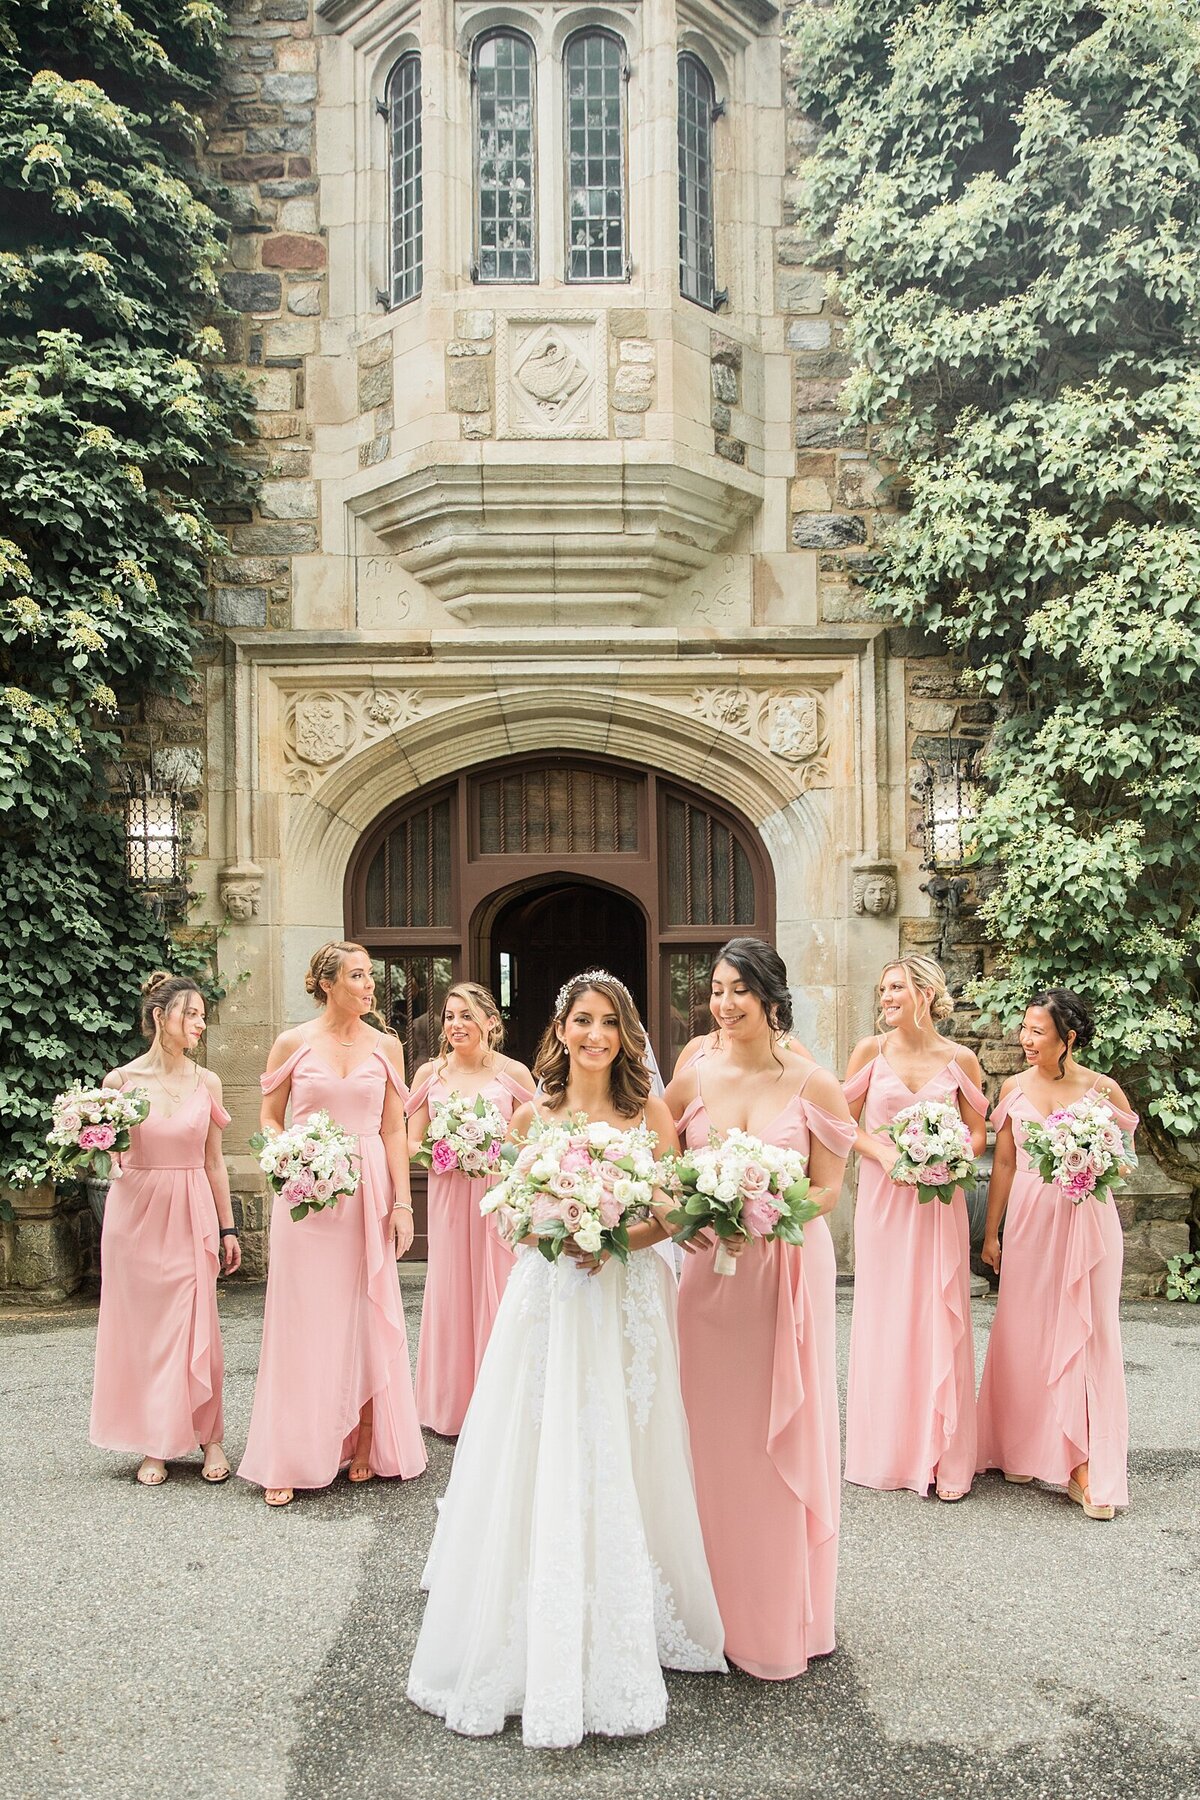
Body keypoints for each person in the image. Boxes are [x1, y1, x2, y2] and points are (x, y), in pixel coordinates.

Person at [408, 969, 725, 1748]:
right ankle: (530, 1621)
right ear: (560, 1028)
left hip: (622, 1295)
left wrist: (611, 1234)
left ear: (625, 1034)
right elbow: (512, 1217)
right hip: (549, 1298)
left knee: (621, 1438)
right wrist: (554, 1225)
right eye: (582, 1020)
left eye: (609, 1023)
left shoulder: (646, 1110)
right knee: (540, 1436)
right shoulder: (529, 1114)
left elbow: (671, 1209)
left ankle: (621, 1614)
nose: (595, 1035)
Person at [664, 938, 855, 1679]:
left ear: (771, 996)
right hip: (708, 1279)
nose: (725, 1002)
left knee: (775, 1438)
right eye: (716, 989)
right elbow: (663, 1169)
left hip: (783, 1274)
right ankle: (701, 1609)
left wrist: (767, 1205)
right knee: (706, 1435)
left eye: (739, 989)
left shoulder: (815, 1084)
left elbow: (830, 1191)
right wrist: (696, 1207)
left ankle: (774, 1615)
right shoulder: (692, 1079)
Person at [238, 942, 426, 1506]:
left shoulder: (387, 1045)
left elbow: (394, 1129)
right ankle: (289, 1452)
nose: (370, 985)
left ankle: (364, 1441)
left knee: (365, 1311)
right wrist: (292, 1154)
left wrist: (401, 1204)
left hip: (368, 1188)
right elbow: (269, 1118)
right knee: (302, 1320)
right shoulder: (292, 1043)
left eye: (370, 976)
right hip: (306, 1195)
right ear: (326, 983)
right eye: (358, 976)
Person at [976, 990, 1137, 1519]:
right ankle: (1019, 1444)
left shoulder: (1102, 1089)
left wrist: (1093, 1157)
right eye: (1023, 1029)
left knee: (1089, 1335)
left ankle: (1085, 1463)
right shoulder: (1013, 1088)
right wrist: (991, 1232)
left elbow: (1126, 1160)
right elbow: (1002, 1164)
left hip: (1087, 1221)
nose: (1025, 1039)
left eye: (1037, 1031)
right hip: (1029, 1219)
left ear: (1068, 1039)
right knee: (1024, 1329)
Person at [842, 956, 988, 1501]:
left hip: (938, 1200)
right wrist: (885, 1153)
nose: (885, 997)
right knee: (887, 1314)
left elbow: (979, 1134)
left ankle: (941, 1453)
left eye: (896, 987)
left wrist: (947, 1156)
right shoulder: (868, 1052)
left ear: (925, 992)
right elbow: (842, 1122)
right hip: (884, 1199)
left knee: (935, 1309)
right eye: (882, 988)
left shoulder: (961, 1060)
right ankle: (888, 1451)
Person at [90, 972, 239, 1487]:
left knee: (196, 1323)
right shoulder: (119, 1083)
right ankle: (156, 1440)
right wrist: (93, 1146)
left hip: (193, 1210)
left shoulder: (208, 1082)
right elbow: (107, 1155)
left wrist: (228, 1227)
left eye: (201, 1014)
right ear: (160, 1017)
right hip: (135, 1214)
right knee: (148, 1330)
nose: (199, 1023)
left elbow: (214, 1162)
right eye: (190, 1014)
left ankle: (210, 1436)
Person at [407, 983, 535, 1436]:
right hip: (447, 1192)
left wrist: (491, 1153)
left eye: (466, 1016)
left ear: (490, 1023)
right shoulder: (429, 1074)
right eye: (449, 1017)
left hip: (496, 1193)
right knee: (452, 1287)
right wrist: (449, 1147)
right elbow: (410, 1141)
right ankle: (451, 1406)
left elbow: (533, 1139)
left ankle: (502, 1405)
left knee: (498, 1285)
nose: (456, 1025)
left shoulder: (514, 1072)